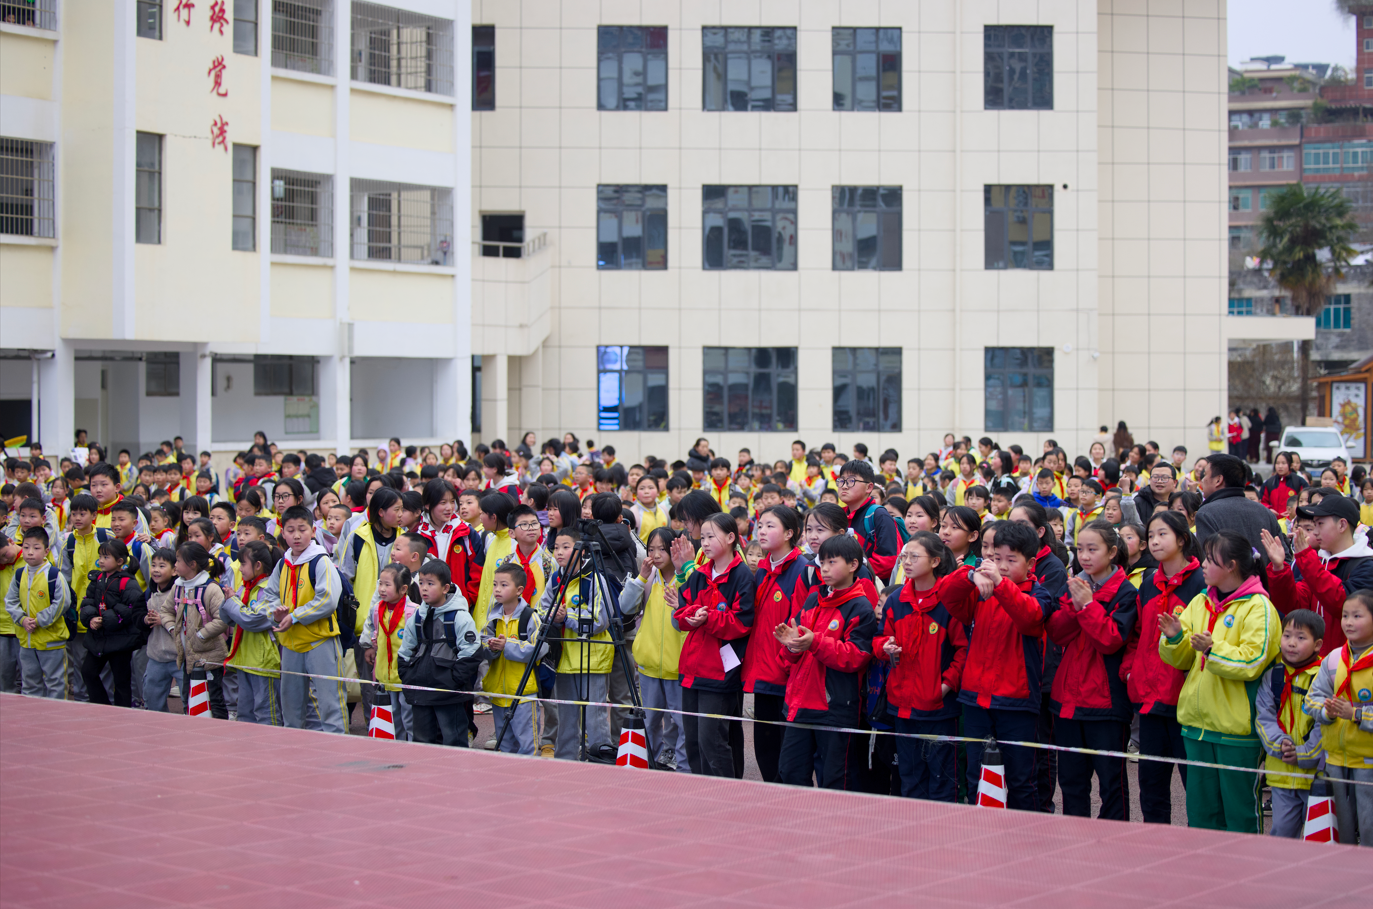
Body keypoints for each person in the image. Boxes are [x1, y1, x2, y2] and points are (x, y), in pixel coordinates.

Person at [1158, 530, 1281, 833]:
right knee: (1201, 813)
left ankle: (1243, 865)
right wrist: (1174, 638)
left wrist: (1212, 649)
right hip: (1197, 726)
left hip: (1236, 731)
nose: (1202, 564)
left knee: (1239, 813)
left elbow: (1252, 662)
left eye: (1210, 559)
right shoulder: (1201, 601)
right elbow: (1182, 660)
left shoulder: (1259, 607)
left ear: (1231, 566)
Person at [944, 521, 1054, 811]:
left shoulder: (1039, 594)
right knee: (976, 775)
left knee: (1021, 780)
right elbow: (947, 596)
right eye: (996, 558)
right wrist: (970, 575)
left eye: (1011, 560)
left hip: (1017, 702)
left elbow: (1030, 618)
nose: (1001, 566)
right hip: (975, 697)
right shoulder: (980, 591)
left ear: (1031, 564)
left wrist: (1002, 586)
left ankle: (1024, 832)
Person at [874, 532, 973, 801]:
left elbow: (964, 650)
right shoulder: (896, 600)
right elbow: (880, 638)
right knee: (910, 777)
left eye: (914, 556)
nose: (906, 562)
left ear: (935, 561)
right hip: (902, 705)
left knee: (943, 780)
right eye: (904, 556)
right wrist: (885, 647)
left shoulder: (949, 601)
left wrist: (945, 686)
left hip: (939, 708)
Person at [1048, 521, 1137, 820]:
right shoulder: (1074, 584)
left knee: (1112, 783)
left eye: (1092, 549)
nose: (1084, 556)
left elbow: (1110, 640)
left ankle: (1113, 838)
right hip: (1068, 699)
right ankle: (1076, 836)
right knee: (1071, 781)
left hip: (1106, 702)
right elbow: (1057, 633)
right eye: (1079, 549)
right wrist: (1075, 607)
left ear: (1112, 552)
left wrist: (1088, 606)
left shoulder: (1126, 592)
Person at [773, 534, 877, 790]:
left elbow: (855, 656)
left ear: (853, 565)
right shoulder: (813, 598)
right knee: (790, 772)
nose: (825, 568)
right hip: (799, 702)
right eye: (822, 562)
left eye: (832, 562)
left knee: (835, 779)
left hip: (834, 708)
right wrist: (791, 645)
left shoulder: (860, 607)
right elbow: (795, 651)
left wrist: (814, 642)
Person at [1121, 510, 1202, 824]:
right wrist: (1130, 671)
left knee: (1195, 787)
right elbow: (1138, 634)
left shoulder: (1200, 582)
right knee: (1151, 787)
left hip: (1185, 701)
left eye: (1162, 534)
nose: (1154, 541)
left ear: (1182, 539)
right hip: (1150, 699)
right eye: (1151, 535)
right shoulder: (1148, 583)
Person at [668, 512, 754, 778]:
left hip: (720, 671)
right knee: (693, 740)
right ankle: (700, 789)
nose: (704, 543)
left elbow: (742, 623)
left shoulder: (742, 576)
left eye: (710, 537)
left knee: (712, 740)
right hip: (692, 667)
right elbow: (681, 611)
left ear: (730, 538)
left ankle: (724, 792)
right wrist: (691, 615)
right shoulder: (699, 574)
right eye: (702, 537)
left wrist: (707, 617)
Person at [260, 505, 348, 734]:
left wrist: (295, 616)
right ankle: (293, 748)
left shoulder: (321, 561)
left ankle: (338, 747)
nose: (296, 536)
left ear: (313, 530)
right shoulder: (283, 563)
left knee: (330, 703)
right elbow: (269, 595)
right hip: (290, 643)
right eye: (290, 530)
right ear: (282, 532)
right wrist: (276, 613)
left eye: (302, 529)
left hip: (321, 641)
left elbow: (327, 600)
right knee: (291, 706)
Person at [742, 505, 809, 782]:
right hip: (763, 673)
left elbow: (800, 627)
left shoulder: (802, 570)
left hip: (787, 675)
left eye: (770, 526)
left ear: (789, 533)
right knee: (765, 750)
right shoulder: (761, 570)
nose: (762, 531)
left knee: (788, 757)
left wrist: (786, 661)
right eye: (761, 526)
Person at [1262, 495, 1373, 658]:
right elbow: (1296, 605)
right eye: (1314, 525)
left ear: (1342, 525)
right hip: (1314, 662)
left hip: (1348, 661)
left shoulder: (1366, 564)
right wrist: (1279, 569)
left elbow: (1342, 604)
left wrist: (1306, 558)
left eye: (1320, 524)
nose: (1315, 532)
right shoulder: (1320, 561)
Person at [1305, 591, 1373, 846]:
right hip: (1335, 759)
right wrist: (1327, 712)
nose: (1348, 622)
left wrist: (1356, 714)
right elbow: (1312, 698)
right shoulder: (1333, 659)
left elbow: (1355, 712)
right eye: (1345, 616)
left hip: (1368, 762)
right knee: (1338, 828)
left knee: (1369, 826)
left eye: (1357, 616)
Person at [622, 527, 688, 771]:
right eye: (651, 549)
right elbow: (625, 607)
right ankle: (650, 765)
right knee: (650, 722)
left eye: (662, 549)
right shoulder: (649, 578)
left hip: (678, 666)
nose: (656, 555)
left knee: (681, 723)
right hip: (649, 665)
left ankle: (683, 769)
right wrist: (640, 578)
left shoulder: (686, 579)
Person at [1256, 609, 1325, 838]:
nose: (1291, 643)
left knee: (1319, 837)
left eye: (1301, 637)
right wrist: (1280, 744)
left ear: (1317, 645)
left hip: (1318, 777)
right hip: (1281, 773)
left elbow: (1327, 723)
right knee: (1282, 836)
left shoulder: (1324, 677)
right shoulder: (1273, 675)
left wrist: (1305, 754)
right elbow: (1264, 716)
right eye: (1287, 636)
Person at [398, 560, 480, 747]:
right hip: (421, 692)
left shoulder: (459, 617)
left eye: (430, 583)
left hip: (449, 694)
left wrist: (453, 680)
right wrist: (410, 677)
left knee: (454, 739)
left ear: (445, 588)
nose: (424, 588)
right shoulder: (417, 617)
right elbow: (405, 652)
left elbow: (472, 653)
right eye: (421, 583)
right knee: (422, 742)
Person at [480, 563, 545, 755]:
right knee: (505, 744)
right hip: (498, 692)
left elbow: (538, 649)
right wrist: (490, 647)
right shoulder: (493, 616)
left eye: (504, 585)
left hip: (523, 693)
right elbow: (482, 641)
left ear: (519, 590)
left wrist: (507, 646)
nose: (497, 589)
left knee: (527, 744)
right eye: (495, 584)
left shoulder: (530, 617)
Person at [160, 542, 229, 719]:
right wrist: (172, 628)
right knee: (188, 698)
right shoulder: (178, 587)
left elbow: (223, 619)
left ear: (192, 564)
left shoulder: (211, 588)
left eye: (178, 560)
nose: (175, 564)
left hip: (210, 656)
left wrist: (201, 634)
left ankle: (219, 731)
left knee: (213, 699)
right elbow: (165, 611)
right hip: (187, 656)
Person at [77, 538, 147, 708]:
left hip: (120, 640)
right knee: (88, 672)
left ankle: (122, 712)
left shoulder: (128, 582)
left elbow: (132, 608)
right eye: (100, 556)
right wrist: (91, 618)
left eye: (106, 557)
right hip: (98, 637)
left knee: (121, 681)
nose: (101, 561)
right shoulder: (97, 579)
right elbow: (87, 601)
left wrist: (106, 618)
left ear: (120, 561)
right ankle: (102, 706)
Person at [219, 541, 283, 726]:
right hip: (245, 659)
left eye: (243, 564)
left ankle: (271, 744)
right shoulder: (246, 587)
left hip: (263, 661)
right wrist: (229, 601)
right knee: (245, 713)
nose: (239, 569)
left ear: (258, 565)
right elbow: (230, 618)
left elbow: (253, 620)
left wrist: (233, 602)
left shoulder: (269, 589)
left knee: (266, 713)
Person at [4, 527, 72, 698]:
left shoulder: (54, 575)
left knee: (55, 682)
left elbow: (62, 602)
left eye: (36, 548)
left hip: (51, 640)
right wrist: (22, 619)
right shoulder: (19, 574)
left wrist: (39, 620)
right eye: (26, 547)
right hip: (27, 641)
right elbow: (10, 601)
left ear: (46, 551)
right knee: (30, 683)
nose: (30, 552)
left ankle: (57, 713)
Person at [1193, 453, 1283, 550]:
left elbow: (1207, 556)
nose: (1202, 480)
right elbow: (1283, 555)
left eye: (1205, 475)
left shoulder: (1206, 514)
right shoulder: (1267, 513)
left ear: (1218, 480)